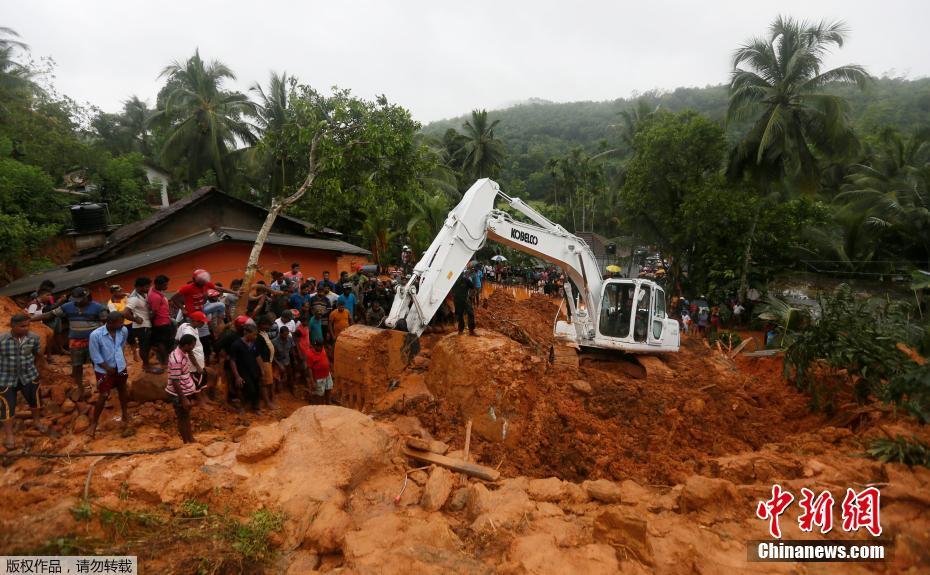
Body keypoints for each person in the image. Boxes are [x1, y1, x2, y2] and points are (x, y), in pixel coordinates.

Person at [31, 287, 107, 402]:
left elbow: (106, 322)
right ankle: (80, 389)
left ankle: (102, 387)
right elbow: (50, 314)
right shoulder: (67, 306)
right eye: (75, 299)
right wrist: (31, 319)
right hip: (75, 340)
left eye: (80, 299)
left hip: (94, 341)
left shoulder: (98, 307)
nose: (77, 301)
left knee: (98, 365)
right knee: (76, 366)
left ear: (86, 296)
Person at [1, 314, 48, 449]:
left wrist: (39, 372)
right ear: (12, 326)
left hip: (29, 375)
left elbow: (38, 355)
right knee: (7, 406)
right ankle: (9, 434)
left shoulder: (33, 338)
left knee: (35, 400)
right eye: (22, 326)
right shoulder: (2, 340)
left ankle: (37, 422)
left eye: (28, 325)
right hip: (5, 378)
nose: (26, 328)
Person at [87, 312, 132, 437]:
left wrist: (119, 362)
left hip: (120, 367)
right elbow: (95, 355)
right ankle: (94, 424)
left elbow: (121, 347)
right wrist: (107, 367)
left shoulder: (123, 331)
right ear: (111, 323)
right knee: (104, 394)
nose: (122, 324)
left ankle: (125, 413)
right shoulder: (95, 335)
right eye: (120, 322)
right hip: (103, 370)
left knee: (122, 389)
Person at [175, 311, 216, 406]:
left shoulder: (185, 325)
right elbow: (189, 351)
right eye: (202, 322)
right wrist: (197, 366)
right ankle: (200, 401)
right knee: (196, 381)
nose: (203, 323)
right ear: (194, 321)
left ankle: (205, 398)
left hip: (197, 359)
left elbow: (177, 339)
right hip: (193, 362)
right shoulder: (188, 332)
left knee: (202, 379)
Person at [125, 277, 162, 374]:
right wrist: (135, 319)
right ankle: (146, 366)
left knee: (148, 346)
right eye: (146, 287)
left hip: (146, 325)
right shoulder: (133, 299)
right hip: (141, 327)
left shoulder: (143, 295)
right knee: (144, 347)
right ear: (139, 287)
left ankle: (147, 364)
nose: (148, 288)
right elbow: (125, 313)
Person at [167, 334, 199, 443]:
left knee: (185, 416)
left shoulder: (182, 353)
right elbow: (175, 381)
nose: (193, 348)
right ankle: (186, 441)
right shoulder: (177, 358)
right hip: (179, 394)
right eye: (192, 346)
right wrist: (184, 398)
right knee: (182, 417)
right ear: (186, 345)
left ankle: (190, 439)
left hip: (184, 391)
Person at [229, 323, 261, 413]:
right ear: (247, 333)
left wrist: (261, 369)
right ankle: (242, 407)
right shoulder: (236, 345)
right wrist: (237, 376)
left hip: (254, 370)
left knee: (257, 389)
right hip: (243, 372)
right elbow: (232, 361)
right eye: (254, 334)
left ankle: (255, 408)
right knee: (248, 389)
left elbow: (257, 356)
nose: (255, 337)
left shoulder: (253, 343)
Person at [148, 275, 172, 368]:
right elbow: (154, 312)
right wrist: (149, 322)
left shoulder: (156, 291)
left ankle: (164, 360)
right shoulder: (155, 296)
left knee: (164, 343)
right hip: (160, 323)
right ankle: (165, 362)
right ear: (158, 285)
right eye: (165, 285)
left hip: (165, 320)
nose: (167, 286)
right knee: (161, 343)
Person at [256, 314, 277, 409]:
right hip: (264, 361)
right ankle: (267, 403)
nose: (269, 327)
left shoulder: (264, 332)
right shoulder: (257, 335)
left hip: (269, 360)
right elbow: (257, 353)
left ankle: (270, 400)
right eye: (267, 325)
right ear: (262, 324)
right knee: (264, 383)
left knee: (269, 382)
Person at [305, 340, 332, 405]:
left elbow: (325, 357)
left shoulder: (322, 349)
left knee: (329, 388)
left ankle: (328, 403)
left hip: (327, 374)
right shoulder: (310, 354)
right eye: (319, 346)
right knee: (320, 394)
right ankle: (320, 407)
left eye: (321, 346)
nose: (321, 348)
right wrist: (312, 381)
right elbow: (309, 368)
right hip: (319, 377)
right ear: (315, 346)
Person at [272, 325, 295, 394]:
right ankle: (277, 394)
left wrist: (294, 360)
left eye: (287, 334)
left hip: (287, 361)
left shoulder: (290, 338)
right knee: (277, 379)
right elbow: (272, 356)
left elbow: (292, 349)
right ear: (280, 333)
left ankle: (291, 390)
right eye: (284, 335)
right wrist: (279, 364)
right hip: (278, 362)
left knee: (290, 376)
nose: (286, 337)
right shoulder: (274, 342)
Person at [452, 271, 476, 335]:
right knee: (460, 315)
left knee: (470, 313)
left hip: (466, 299)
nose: (459, 275)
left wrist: (471, 295)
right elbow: (451, 291)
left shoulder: (466, 280)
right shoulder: (453, 282)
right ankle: (460, 330)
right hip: (457, 301)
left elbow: (473, 287)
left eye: (461, 274)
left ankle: (471, 330)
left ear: (462, 274)